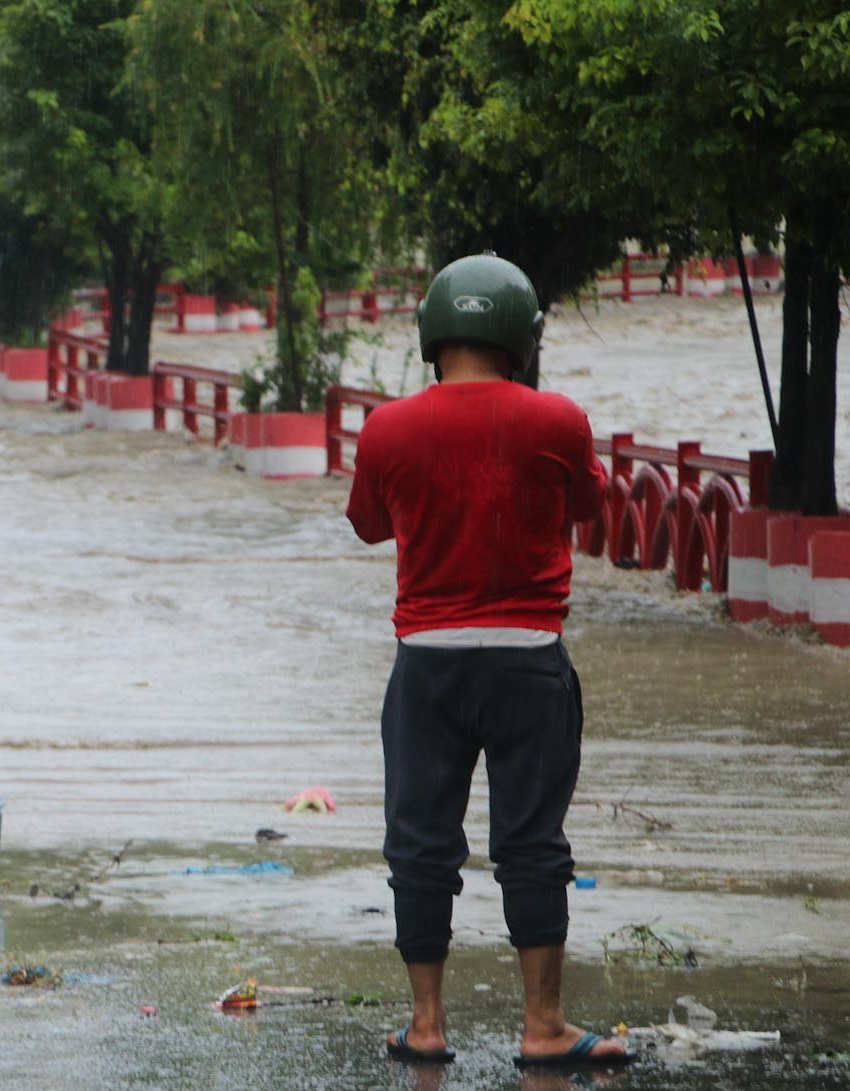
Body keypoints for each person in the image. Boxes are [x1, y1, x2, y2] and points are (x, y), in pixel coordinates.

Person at [346, 254, 630, 1072]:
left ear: (434, 334)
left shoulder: (390, 427)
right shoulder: (558, 421)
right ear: (521, 336)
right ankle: (543, 1025)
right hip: (529, 661)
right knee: (533, 843)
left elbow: (367, 523)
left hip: (427, 663)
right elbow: (587, 502)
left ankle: (426, 1023)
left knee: (420, 843)